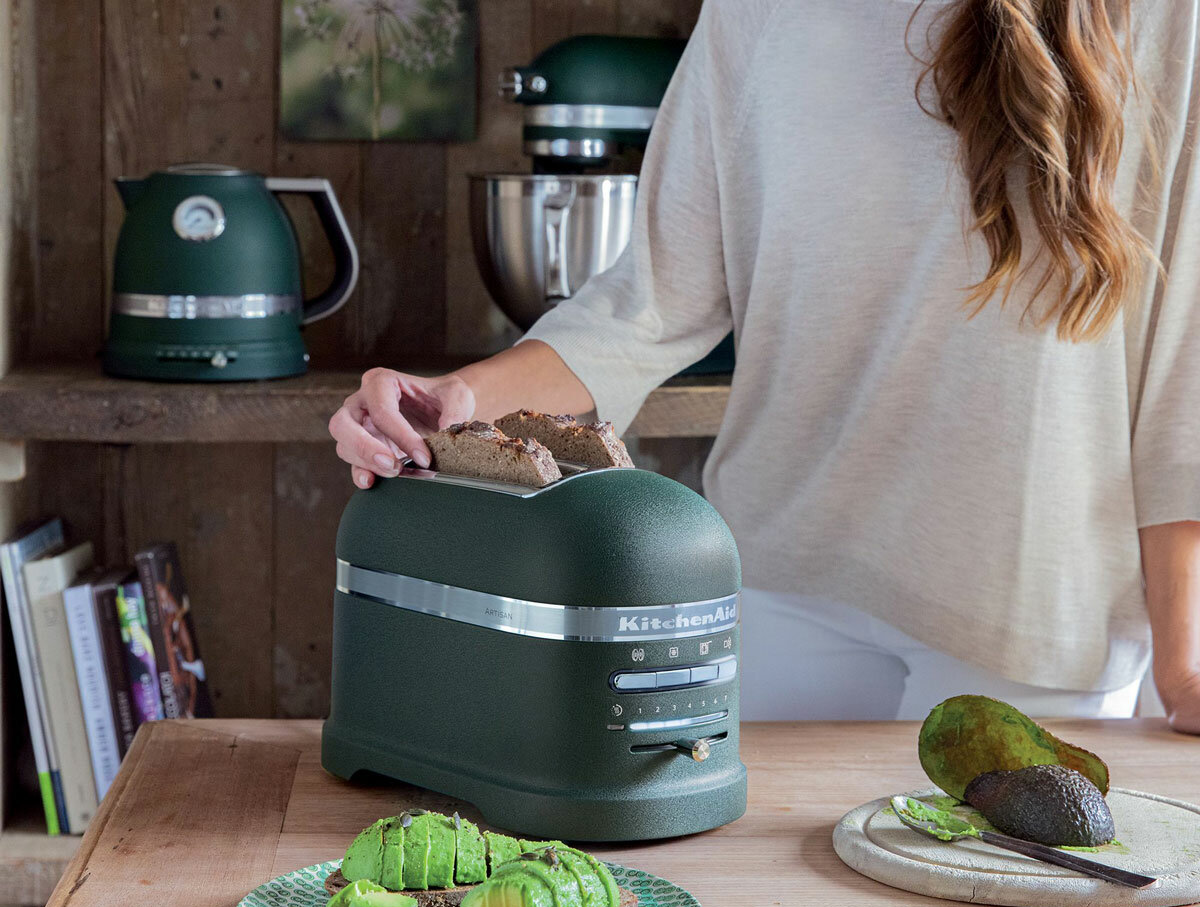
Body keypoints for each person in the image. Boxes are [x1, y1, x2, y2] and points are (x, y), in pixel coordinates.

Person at [329, 0, 1200, 731]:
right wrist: (456, 397)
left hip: (1030, 611)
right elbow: (651, 302)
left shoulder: (1162, 15)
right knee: (739, 881)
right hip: (782, 580)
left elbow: (1183, 365)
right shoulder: (754, 12)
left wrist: (1184, 659)